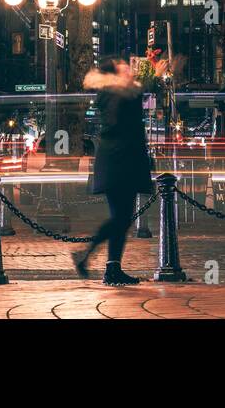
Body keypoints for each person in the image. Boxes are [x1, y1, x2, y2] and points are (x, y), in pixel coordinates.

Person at [71, 57, 154, 286]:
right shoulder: (119, 93)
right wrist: (151, 75)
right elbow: (130, 108)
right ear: (115, 73)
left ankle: (111, 268)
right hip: (120, 162)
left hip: (118, 161)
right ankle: (88, 256)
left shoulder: (116, 92)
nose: (127, 65)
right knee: (121, 217)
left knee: (122, 217)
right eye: (122, 64)